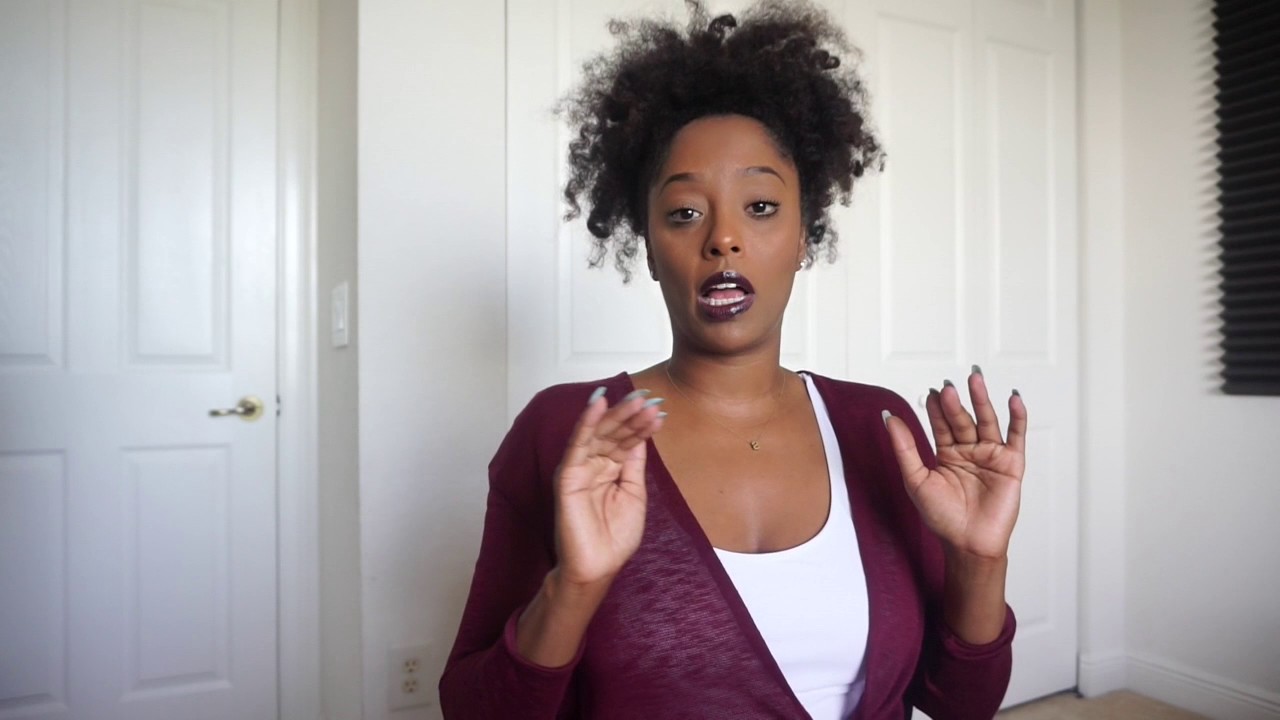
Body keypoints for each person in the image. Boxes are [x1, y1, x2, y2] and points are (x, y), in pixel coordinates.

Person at [439, 2, 1025, 718]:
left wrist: (979, 561)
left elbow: (963, 703)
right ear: (647, 247)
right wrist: (574, 589)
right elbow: (473, 708)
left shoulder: (879, 428)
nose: (723, 238)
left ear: (804, 237)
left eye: (761, 206)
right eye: (685, 213)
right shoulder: (566, 432)